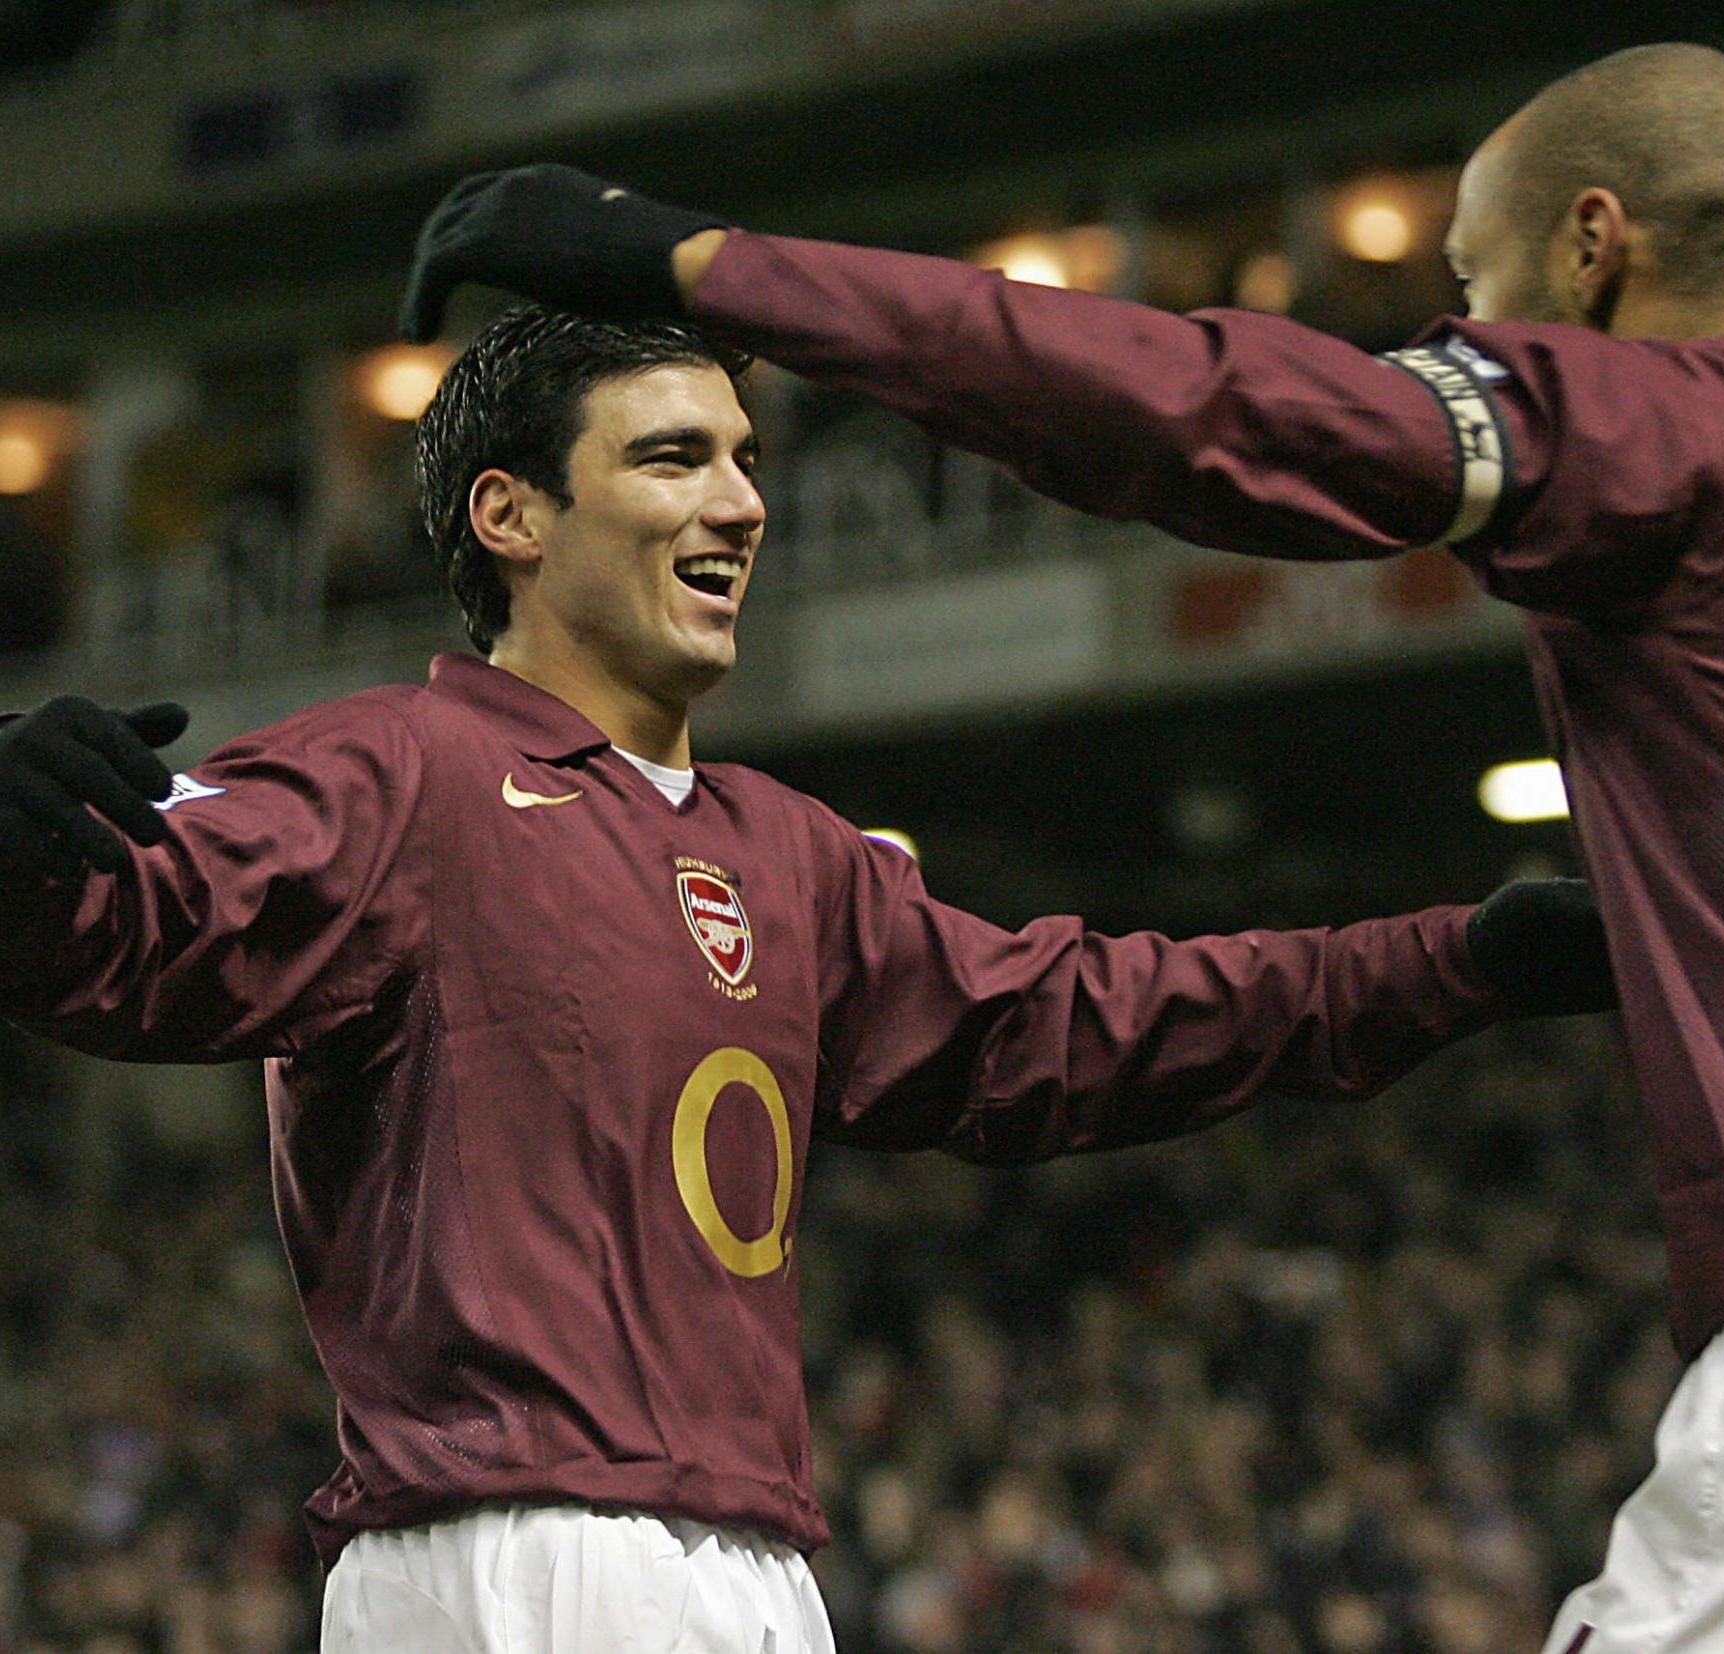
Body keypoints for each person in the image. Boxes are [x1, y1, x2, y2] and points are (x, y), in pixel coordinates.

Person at [399, 39, 1724, 1651]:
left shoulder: (1675, 420)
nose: (1462, 333)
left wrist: (705, 265)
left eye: (1474, 292)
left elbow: (1216, 413)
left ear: (1593, 249)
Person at [0, 305, 1614, 1650]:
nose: (741, 501)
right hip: (524, 1558)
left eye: (745, 460)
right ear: (511, 517)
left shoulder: (790, 854)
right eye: (670, 457)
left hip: (751, 1564)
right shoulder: (403, 770)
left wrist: (1451, 959)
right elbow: (143, 923)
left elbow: (1072, 1023)